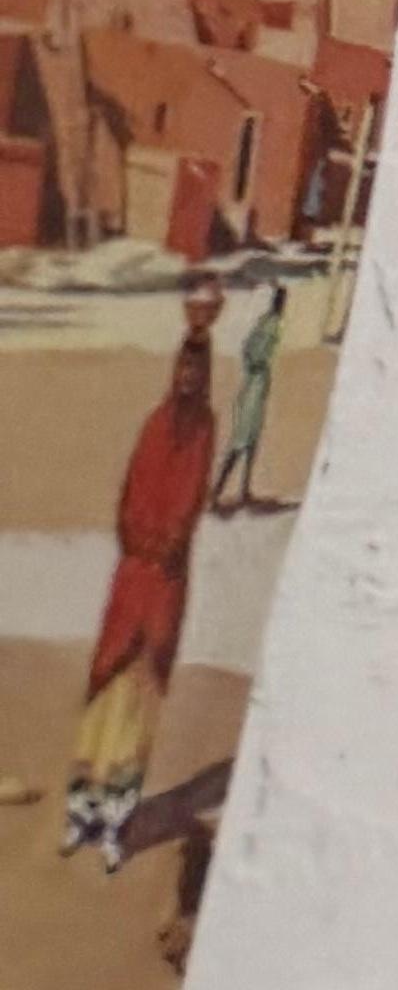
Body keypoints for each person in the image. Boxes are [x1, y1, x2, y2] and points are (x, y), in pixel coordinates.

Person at [64, 298, 215, 871]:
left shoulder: (203, 432)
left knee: (138, 711)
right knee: (103, 699)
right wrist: (137, 539)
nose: (186, 379)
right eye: (182, 368)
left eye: (195, 373)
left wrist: (162, 547)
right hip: (131, 578)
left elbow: (188, 503)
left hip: (163, 583)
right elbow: (132, 491)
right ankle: (82, 810)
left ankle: (116, 823)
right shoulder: (155, 422)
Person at [211, 283, 284, 515]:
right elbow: (252, 350)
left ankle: (243, 489)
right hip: (255, 382)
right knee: (241, 440)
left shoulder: (269, 322)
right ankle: (218, 491)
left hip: (258, 382)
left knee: (251, 440)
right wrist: (256, 365)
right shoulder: (270, 324)